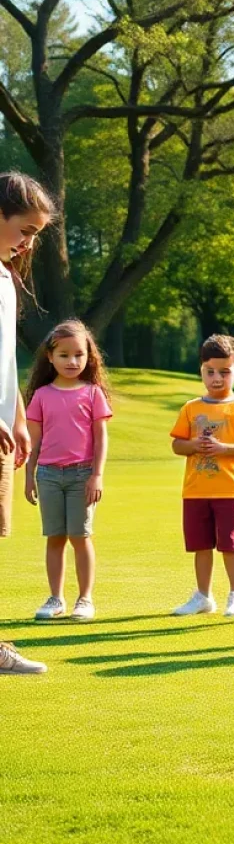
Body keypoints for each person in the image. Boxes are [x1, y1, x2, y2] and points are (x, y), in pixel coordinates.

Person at [0, 171, 53, 674]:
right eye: (25, 229)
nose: (27, 242)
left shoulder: (5, 278)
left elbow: (4, 361)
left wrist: (16, 416)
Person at [24, 320, 113, 621]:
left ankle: (85, 599)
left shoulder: (92, 394)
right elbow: (34, 443)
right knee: (55, 537)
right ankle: (55, 598)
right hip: (48, 475)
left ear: (89, 356)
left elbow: (101, 438)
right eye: (64, 355)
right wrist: (29, 477)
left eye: (78, 354)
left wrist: (96, 475)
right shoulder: (41, 396)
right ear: (50, 357)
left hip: (82, 475)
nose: (72, 361)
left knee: (80, 536)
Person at [170, 335, 234, 618]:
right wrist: (194, 445)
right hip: (196, 490)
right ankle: (203, 596)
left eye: (225, 372)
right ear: (201, 371)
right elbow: (177, 444)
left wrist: (224, 449)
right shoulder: (191, 408)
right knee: (201, 546)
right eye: (210, 372)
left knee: (231, 546)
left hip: (230, 490)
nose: (217, 378)